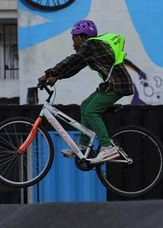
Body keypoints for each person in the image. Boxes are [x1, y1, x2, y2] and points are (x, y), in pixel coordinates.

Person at [38, 19, 135, 164]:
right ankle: (83, 146)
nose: (73, 44)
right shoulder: (92, 49)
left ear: (83, 37)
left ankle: (108, 148)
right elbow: (75, 67)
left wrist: (48, 73)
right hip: (111, 84)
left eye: (74, 39)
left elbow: (71, 60)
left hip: (117, 85)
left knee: (91, 111)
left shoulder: (91, 44)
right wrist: (57, 77)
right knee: (85, 105)